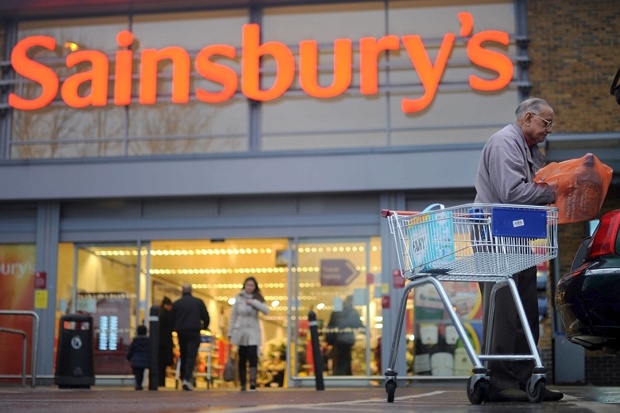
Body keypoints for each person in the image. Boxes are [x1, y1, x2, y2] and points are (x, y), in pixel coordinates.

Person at [474, 97, 563, 402]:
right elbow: (512, 192)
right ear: (528, 118)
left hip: (515, 234)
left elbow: (540, 180)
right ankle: (498, 379)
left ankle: (528, 377)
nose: (549, 130)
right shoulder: (504, 143)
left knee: (526, 307)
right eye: (545, 123)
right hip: (493, 233)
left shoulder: (529, 150)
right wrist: (556, 190)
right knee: (504, 309)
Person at [227, 276, 269, 391]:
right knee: (242, 357)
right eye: (247, 285)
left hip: (253, 332)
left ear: (255, 287)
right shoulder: (239, 298)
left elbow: (266, 311)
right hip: (240, 331)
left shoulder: (257, 298)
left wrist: (253, 302)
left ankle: (253, 382)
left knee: (253, 357)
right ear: (244, 286)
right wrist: (230, 332)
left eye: (252, 285)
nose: (249, 287)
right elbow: (233, 316)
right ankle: (243, 383)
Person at [172, 283, 210, 391]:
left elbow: (172, 318)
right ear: (191, 291)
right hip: (194, 331)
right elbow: (206, 317)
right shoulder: (198, 302)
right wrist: (204, 327)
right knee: (191, 355)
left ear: (182, 291)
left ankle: (183, 377)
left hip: (181, 332)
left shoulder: (177, 304)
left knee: (183, 354)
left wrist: (175, 328)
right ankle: (186, 379)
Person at [326, 296, 364, 375]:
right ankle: (345, 375)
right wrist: (366, 331)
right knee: (346, 359)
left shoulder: (336, 311)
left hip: (337, 340)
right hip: (347, 341)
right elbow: (358, 324)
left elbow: (330, 326)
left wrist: (330, 339)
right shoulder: (352, 312)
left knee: (338, 360)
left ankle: (338, 376)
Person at [126, 325, 150, 391]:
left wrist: (128, 358)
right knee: (145, 372)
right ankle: (150, 384)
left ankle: (138, 385)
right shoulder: (148, 341)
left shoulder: (135, 341)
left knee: (138, 373)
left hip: (136, 359)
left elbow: (131, 350)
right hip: (146, 359)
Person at [158, 296, 174, 387]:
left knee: (160, 364)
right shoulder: (166, 315)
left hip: (160, 344)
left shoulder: (160, 314)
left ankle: (160, 381)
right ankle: (161, 382)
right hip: (164, 344)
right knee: (162, 364)